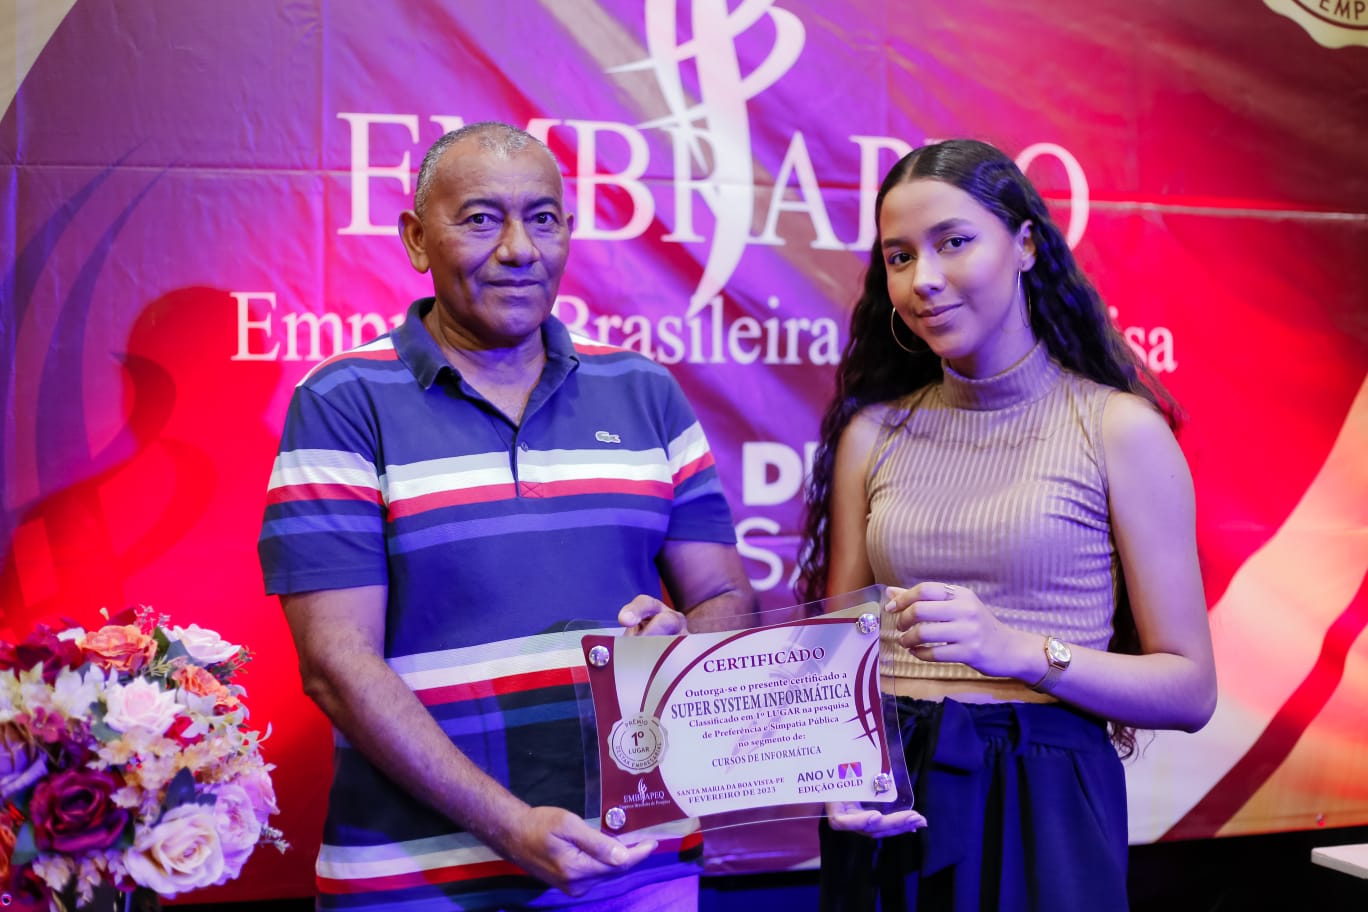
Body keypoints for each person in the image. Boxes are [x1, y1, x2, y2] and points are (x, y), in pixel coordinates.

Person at [258, 121, 755, 911]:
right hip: (417, 881)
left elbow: (723, 597)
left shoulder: (644, 390)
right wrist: (510, 825)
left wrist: (686, 643)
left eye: (544, 218)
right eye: (481, 219)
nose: (520, 249)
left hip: (635, 864)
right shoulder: (343, 400)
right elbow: (335, 664)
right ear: (416, 239)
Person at [798, 139, 1217, 911]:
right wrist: (832, 769)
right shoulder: (873, 433)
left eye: (953, 242)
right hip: (890, 793)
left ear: (1025, 245)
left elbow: (1190, 691)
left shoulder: (1116, 429)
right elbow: (839, 651)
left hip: (1043, 789)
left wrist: (1014, 650)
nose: (923, 279)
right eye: (898, 257)